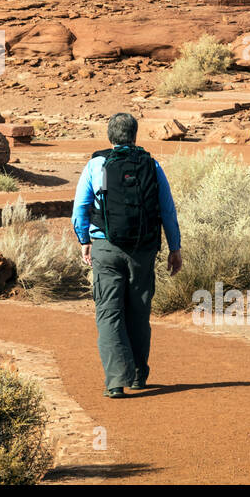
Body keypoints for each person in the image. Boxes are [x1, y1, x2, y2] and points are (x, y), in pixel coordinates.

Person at [72, 112, 182, 398]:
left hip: (105, 248)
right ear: (134, 136)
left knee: (109, 313)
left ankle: (114, 382)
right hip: (143, 249)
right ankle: (137, 376)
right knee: (138, 311)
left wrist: (84, 240)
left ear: (110, 136)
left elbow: (80, 209)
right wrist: (174, 247)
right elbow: (167, 210)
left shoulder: (97, 164)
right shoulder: (151, 164)